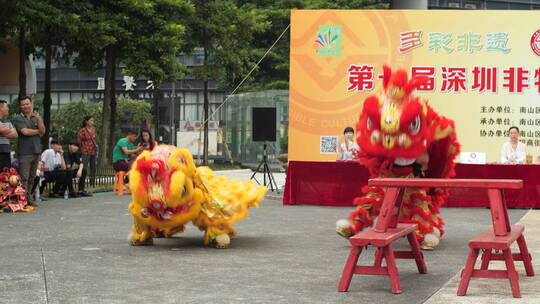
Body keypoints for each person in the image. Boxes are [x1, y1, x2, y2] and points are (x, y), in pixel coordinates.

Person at [13, 96, 46, 206]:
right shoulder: (18, 118)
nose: (25, 106)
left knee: (32, 177)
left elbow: (43, 131)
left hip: (36, 151)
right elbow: (25, 132)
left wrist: (39, 119)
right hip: (25, 152)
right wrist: (38, 131)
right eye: (23, 104)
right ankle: (22, 200)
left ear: (31, 104)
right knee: (24, 177)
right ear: (20, 106)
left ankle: (28, 198)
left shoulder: (35, 117)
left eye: (27, 104)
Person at [77, 115, 97, 186]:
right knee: (84, 167)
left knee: (93, 167)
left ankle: (92, 182)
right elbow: (79, 141)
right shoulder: (82, 130)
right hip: (85, 150)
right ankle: (82, 182)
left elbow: (94, 139)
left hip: (93, 150)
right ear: (86, 121)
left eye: (93, 121)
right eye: (91, 120)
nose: (92, 122)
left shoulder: (94, 129)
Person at [0, 100, 17, 171]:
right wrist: (10, 130)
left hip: (6, 152)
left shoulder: (8, 121)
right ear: (1, 108)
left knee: (6, 175)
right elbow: (1, 129)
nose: (8, 109)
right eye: (6, 107)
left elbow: (15, 135)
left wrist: (3, 132)